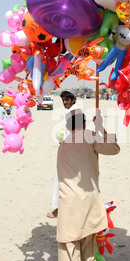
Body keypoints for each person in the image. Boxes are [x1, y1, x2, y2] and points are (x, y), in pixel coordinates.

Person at [57, 108, 120, 261]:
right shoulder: (89, 137)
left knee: (69, 250)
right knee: (88, 244)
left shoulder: (63, 145)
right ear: (84, 124)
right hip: (89, 201)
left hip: (69, 204)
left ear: (68, 126)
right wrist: (100, 125)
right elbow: (114, 147)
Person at [47, 89, 79, 219]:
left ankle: (60, 210)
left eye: (67, 99)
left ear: (73, 99)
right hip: (68, 151)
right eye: (63, 100)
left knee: (63, 182)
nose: (65, 102)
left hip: (70, 153)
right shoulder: (71, 112)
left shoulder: (75, 113)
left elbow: (76, 135)